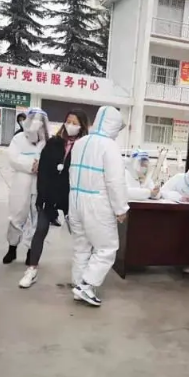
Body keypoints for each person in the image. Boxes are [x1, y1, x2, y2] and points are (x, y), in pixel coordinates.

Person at [19, 109, 90, 289]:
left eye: (75, 123)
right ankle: (32, 269)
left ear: (82, 126)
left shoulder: (85, 146)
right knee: (40, 230)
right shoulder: (53, 143)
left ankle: (85, 273)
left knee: (80, 234)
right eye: (68, 121)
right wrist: (42, 195)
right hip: (49, 194)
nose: (70, 125)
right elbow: (43, 170)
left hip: (70, 196)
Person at [69, 106, 129, 306]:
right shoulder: (109, 146)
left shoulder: (80, 142)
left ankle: (78, 284)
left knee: (82, 246)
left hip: (75, 200)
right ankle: (86, 286)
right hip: (97, 203)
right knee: (107, 247)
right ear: (113, 125)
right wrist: (120, 209)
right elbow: (115, 181)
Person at [3, 108, 49, 265]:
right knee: (16, 215)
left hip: (40, 183)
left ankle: (31, 251)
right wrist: (31, 165)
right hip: (21, 182)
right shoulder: (19, 138)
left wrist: (42, 166)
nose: (36, 124)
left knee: (36, 218)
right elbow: (13, 159)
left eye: (40, 121)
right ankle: (12, 248)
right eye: (33, 119)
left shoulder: (47, 142)